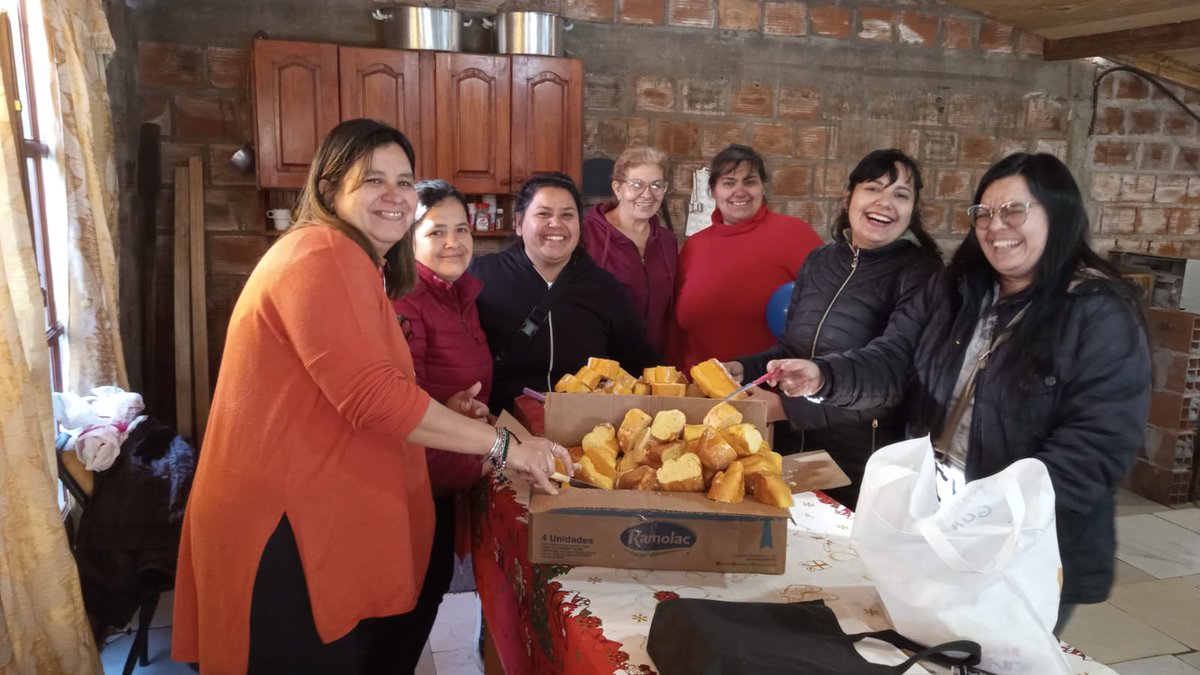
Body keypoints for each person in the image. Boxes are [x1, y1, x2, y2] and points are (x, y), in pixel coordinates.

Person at [171, 119, 571, 674]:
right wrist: (508, 446)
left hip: (304, 506)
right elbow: (370, 397)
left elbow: (349, 385)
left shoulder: (350, 259)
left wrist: (441, 410)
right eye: (372, 180)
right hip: (280, 524)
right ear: (331, 188)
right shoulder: (322, 254)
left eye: (404, 181)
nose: (395, 195)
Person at [767, 153, 1151, 632]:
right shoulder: (958, 289)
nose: (996, 227)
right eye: (984, 213)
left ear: (1059, 214)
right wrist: (824, 376)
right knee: (922, 650)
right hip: (934, 520)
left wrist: (986, 518)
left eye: (1015, 210)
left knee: (993, 658)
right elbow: (893, 359)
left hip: (1025, 543)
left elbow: (1097, 447)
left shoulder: (1096, 312)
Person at [729, 149, 943, 509]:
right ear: (849, 198)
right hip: (792, 456)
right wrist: (745, 369)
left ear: (912, 210)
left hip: (859, 471)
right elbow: (793, 349)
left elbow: (890, 376)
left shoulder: (921, 274)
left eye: (900, 195)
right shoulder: (821, 261)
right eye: (873, 188)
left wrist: (788, 407)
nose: (885, 202)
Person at [390, 179, 492, 672]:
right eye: (436, 232)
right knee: (403, 613)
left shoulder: (457, 296)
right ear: (410, 241)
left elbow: (433, 392)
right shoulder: (406, 302)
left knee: (421, 602)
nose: (453, 242)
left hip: (442, 476)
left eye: (462, 229)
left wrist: (457, 407)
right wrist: (479, 466)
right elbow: (401, 413)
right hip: (414, 485)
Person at [471, 172, 659, 414]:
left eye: (567, 215)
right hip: (505, 427)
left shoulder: (604, 287)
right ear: (519, 223)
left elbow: (638, 361)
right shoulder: (482, 277)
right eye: (543, 214)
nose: (556, 224)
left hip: (583, 431)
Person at [670, 144, 824, 371]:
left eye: (750, 181)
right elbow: (675, 332)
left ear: (762, 187)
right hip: (699, 395)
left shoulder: (795, 234)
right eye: (728, 183)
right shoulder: (694, 246)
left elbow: (829, 312)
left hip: (769, 395)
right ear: (713, 190)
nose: (739, 191)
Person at [582, 146, 678, 354]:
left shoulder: (667, 241)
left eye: (656, 185)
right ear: (618, 189)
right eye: (636, 185)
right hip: (599, 366)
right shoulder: (587, 234)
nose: (647, 194)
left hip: (652, 367)